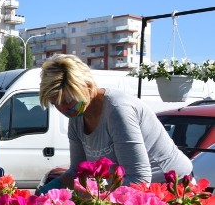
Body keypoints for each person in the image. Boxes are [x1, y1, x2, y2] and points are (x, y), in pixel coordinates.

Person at [36, 54, 193, 192]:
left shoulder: (118, 111)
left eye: (68, 100)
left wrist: (101, 202)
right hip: (133, 188)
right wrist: (51, 187)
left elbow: (139, 178)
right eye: (55, 102)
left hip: (171, 187)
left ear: (88, 86)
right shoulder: (77, 118)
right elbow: (78, 171)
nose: (63, 108)